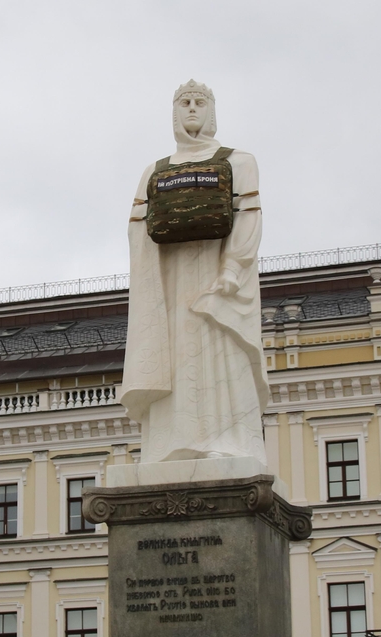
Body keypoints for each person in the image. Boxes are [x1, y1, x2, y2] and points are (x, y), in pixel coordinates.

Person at [120, 80, 268, 464]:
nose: (191, 109)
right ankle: (169, 446)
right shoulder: (154, 170)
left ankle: (227, 441)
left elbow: (249, 217)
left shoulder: (239, 160)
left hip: (216, 278)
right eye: (184, 102)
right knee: (176, 357)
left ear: (211, 111)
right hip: (170, 284)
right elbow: (137, 226)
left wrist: (233, 268)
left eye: (199, 102)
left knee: (217, 351)